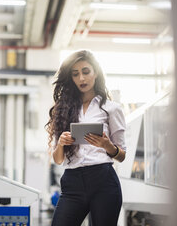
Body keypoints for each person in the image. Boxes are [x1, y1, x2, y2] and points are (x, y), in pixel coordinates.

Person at [46, 50, 126, 226]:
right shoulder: (63, 110)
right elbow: (58, 160)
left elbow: (122, 155)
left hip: (103, 181)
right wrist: (60, 143)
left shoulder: (112, 108)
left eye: (86, 71)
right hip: (72, 182)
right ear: (71, 79)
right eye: (75, 74)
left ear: (95, 73)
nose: (81, 78)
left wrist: (107, 146)